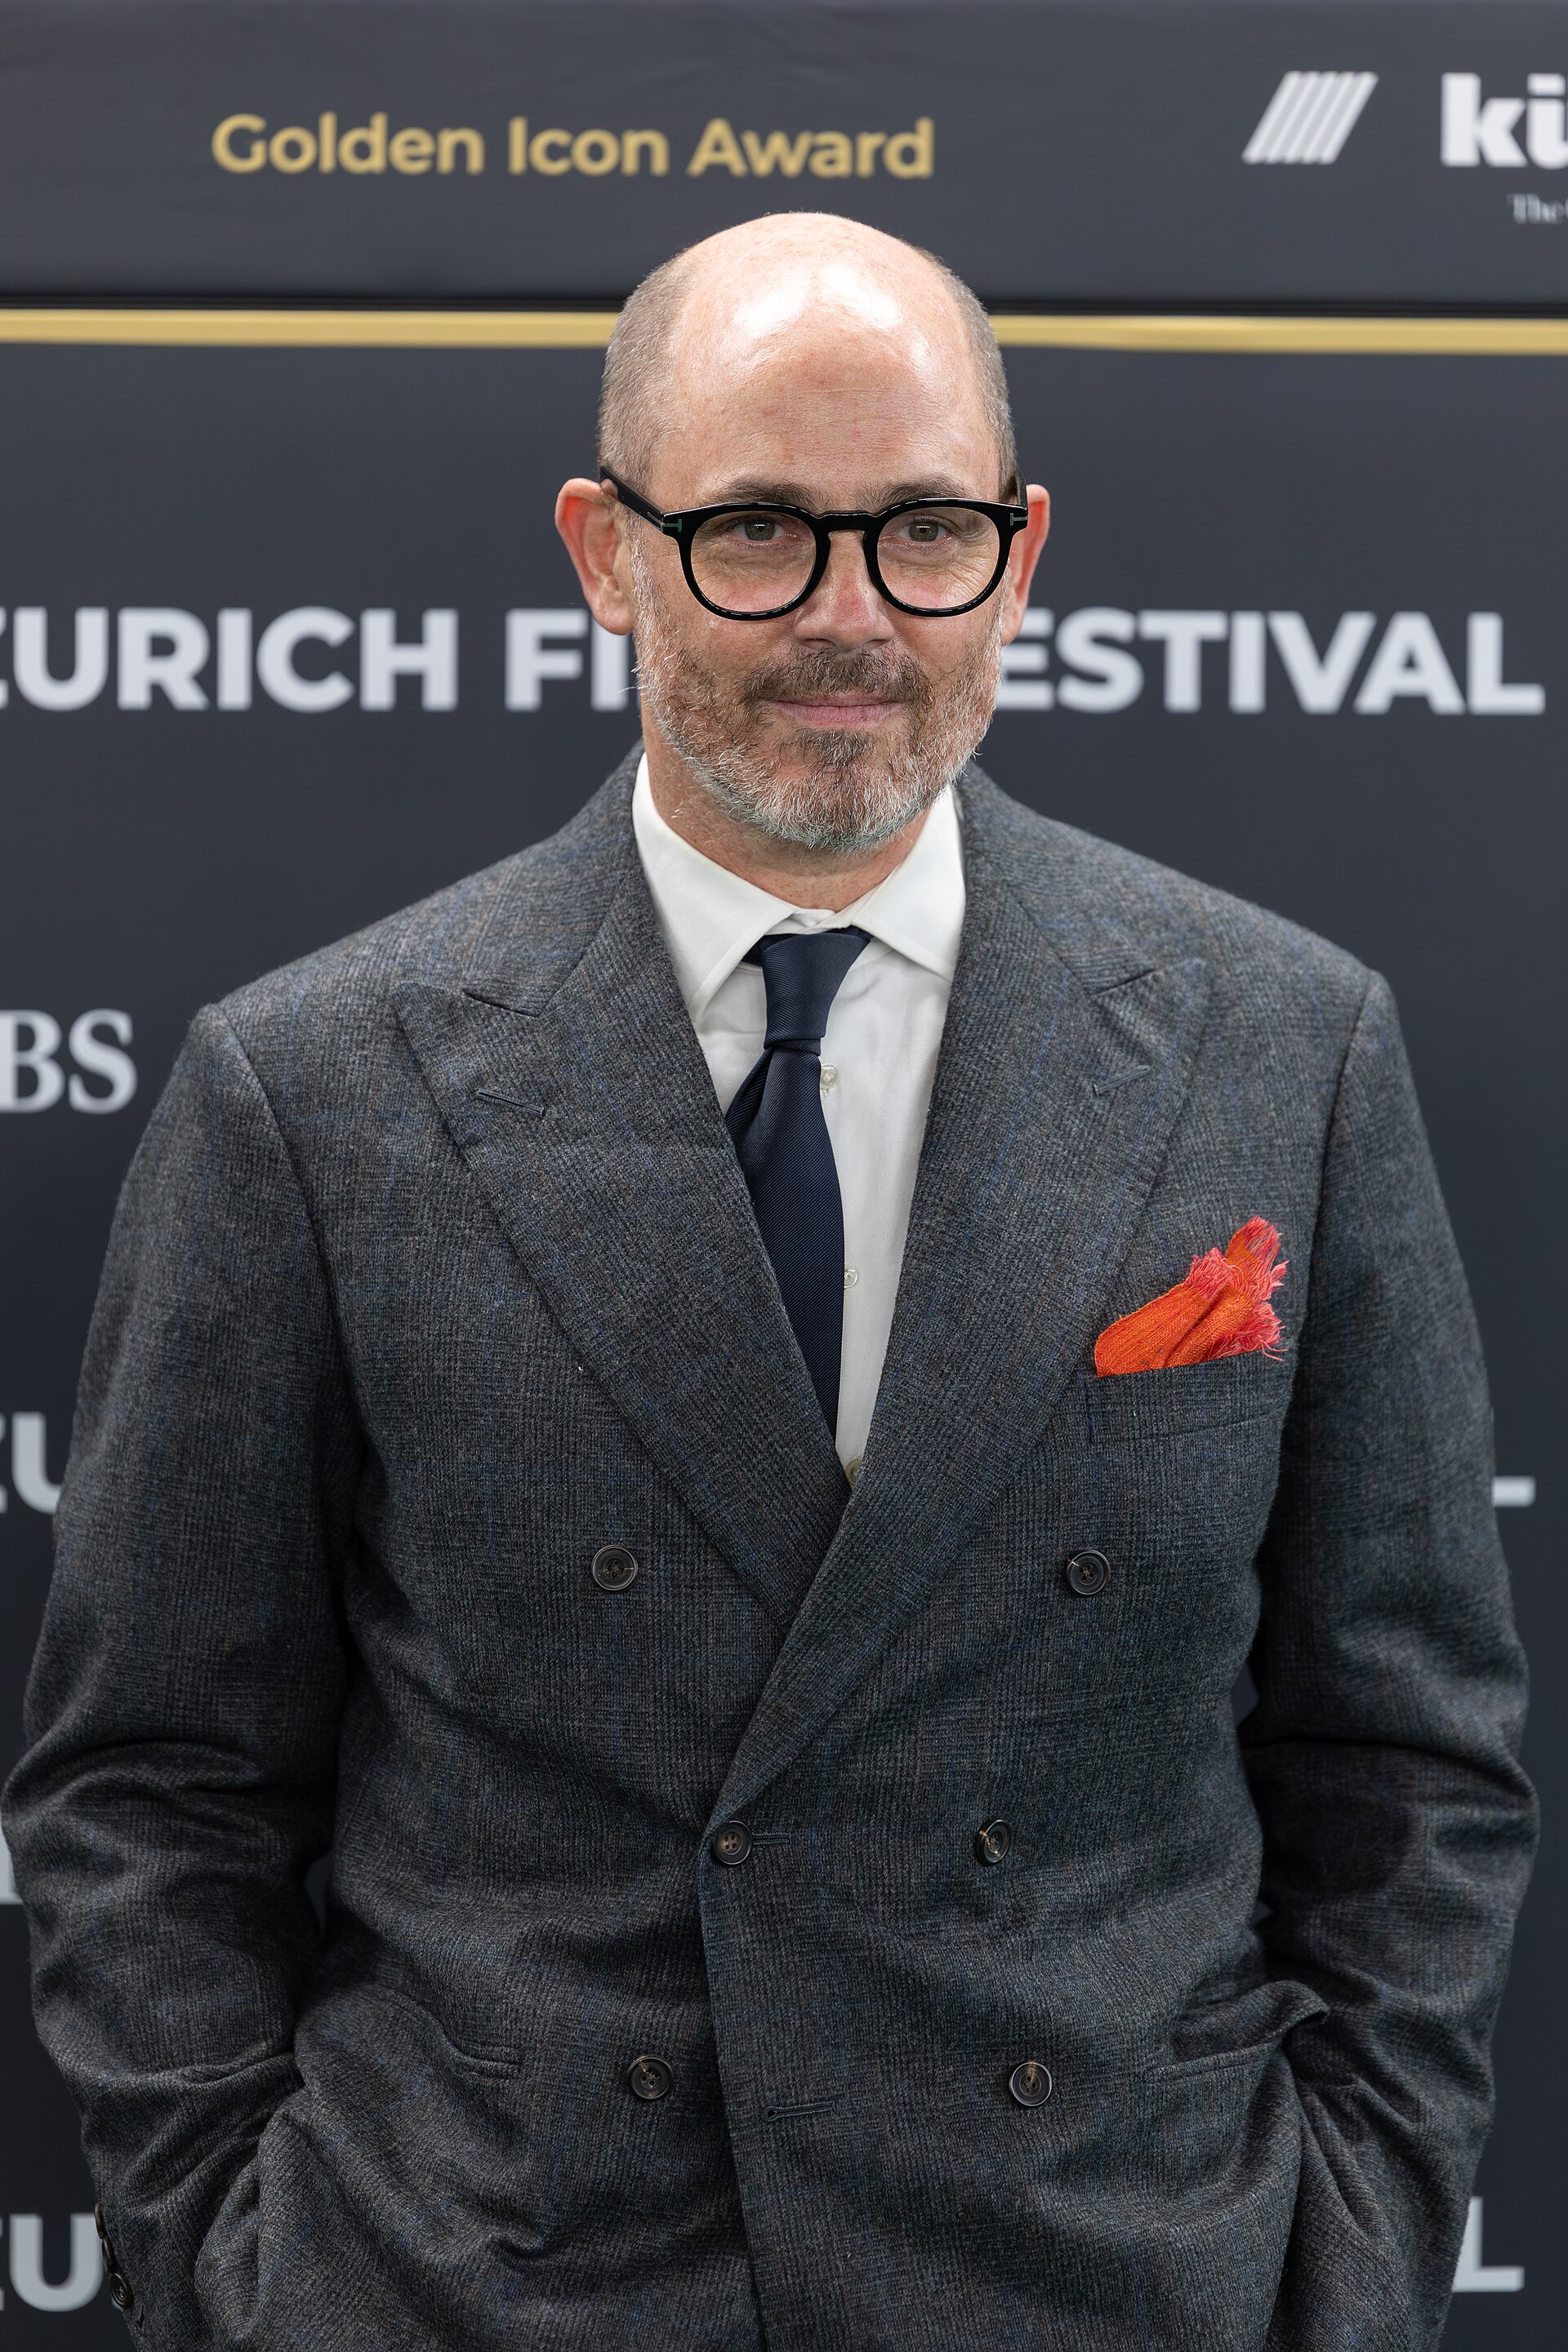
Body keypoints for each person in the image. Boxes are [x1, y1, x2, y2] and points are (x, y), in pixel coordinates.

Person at [3, 214, 1535, 2351]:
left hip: (1114, 2282)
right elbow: (154, 1787)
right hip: (489, 2290)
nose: (847, 618)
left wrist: (1343, 2261)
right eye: (751, 532)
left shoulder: (1287, 1050)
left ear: (1018, 548)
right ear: (602, 550)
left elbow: (1409, 1760)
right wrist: (251, 2278)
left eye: (920, 529)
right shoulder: (316, 1090)